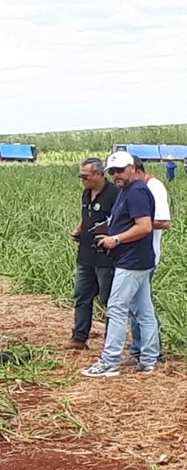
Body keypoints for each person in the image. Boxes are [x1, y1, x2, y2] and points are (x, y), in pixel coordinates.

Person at [81, 151, 158, 377]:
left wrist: (115, 239)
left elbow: (144, 226)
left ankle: (110, 361)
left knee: (116, 309)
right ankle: (148, 359)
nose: (116, 175)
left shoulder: (136, 193)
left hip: (132, 261)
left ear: (133, 168)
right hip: (139, 260)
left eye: (120, 170)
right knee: (144, 310)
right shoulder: (129, 191)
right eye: (112, 172)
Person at [65, 158, 119, 350]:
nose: (82, 179)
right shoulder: (87, 193)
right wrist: (78, 229)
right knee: (81, 296)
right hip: (85, 255)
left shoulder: (114, 194)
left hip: (106, 257)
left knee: (108, 299)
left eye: (85, 176)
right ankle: (79, 338)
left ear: (99, 174)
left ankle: (111, 342)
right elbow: (85, 215)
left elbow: (121, 221)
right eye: (81, 176)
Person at [123, 155, 171, 365]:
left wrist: (134, 223)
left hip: (145, 255)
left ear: (134, 169)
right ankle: (141, 350)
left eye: (121, 171)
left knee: (141, 307)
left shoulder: (153, 187)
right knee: (136, 306)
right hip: (134, 255)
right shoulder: (135, 189)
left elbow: (164, 221)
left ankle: (150, 351)